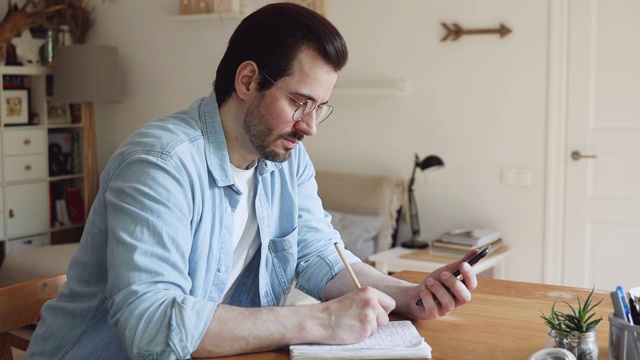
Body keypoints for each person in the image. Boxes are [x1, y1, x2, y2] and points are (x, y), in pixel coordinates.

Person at [27, 3, 478, 359]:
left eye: (319, 107)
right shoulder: (159, 164)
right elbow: (151, 326)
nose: (310, 126)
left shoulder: (285, 158)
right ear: (247, 80)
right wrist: (321, 321)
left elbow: (319, 252)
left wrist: (406, 295)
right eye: (301, 102)